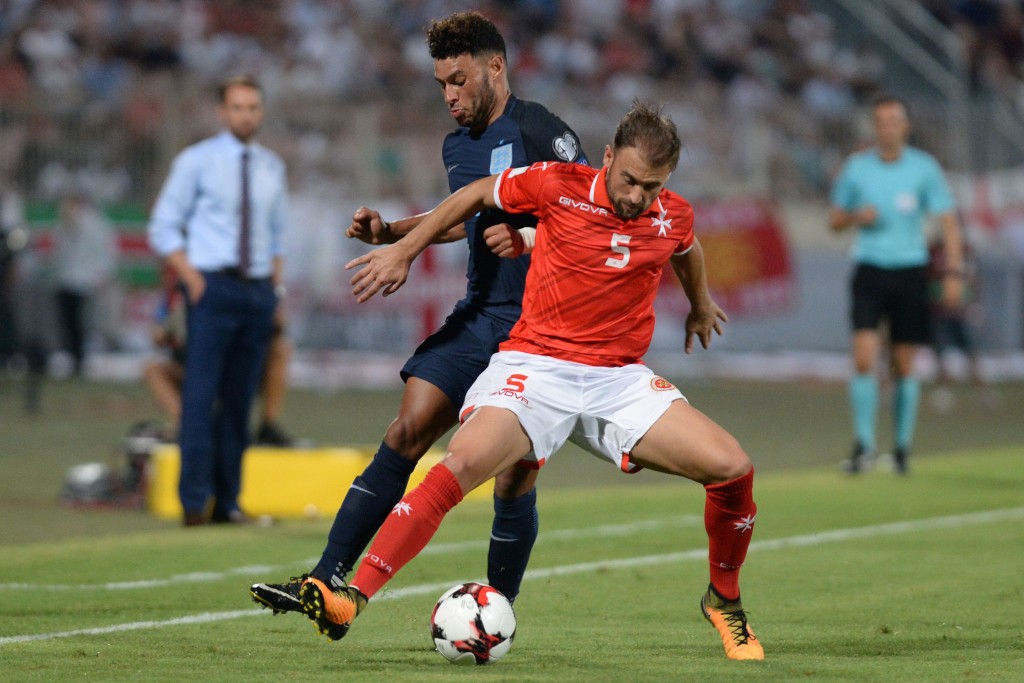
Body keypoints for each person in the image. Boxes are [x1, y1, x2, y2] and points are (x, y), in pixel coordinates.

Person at [290, 102, 764, 662]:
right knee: (460, 465)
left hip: (617, 380)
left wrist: (701, 304)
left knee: (733, 468)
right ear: (607, 157)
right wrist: (403, 246)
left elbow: (686, 248)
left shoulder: (672, 214)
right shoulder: (556, 184)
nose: (638, 196)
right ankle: (351, 597)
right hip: (536, 367)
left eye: (652, 186)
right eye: (630, 180)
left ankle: (723, 600)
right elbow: (474, 195)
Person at [251, 11, 587, 612]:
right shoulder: (457, 145)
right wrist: (392, 233)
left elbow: (591, 217)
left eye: (459, 80)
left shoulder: (539, 129)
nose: (450, 95)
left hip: (541, 330)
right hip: (481, 314)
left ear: (495, 67)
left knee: (514, 474)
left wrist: (529, 238)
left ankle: (498, 610)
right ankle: (323, 580)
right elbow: (461, 219)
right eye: (441, 85)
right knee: (407, 429)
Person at [147, 74, 287, 526]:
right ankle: (193, 501)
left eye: (252, 107)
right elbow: (163, 225)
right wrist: (192, 278)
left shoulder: (271, 167)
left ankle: (228, 501)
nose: (246, 115)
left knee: (240, 398)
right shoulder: (197, 161)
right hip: (212, 286)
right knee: (200, 395)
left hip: (257, 290)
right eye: (237, 107)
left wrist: (274, 290)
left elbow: (277, 236)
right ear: (222, 112)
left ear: (261, 112)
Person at [829, 94, 963, 475]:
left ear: (905, 127)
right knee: (864, 358)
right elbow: (834, 219)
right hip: (870, 268)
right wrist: (856, 217)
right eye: (881, 122)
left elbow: (948, 221)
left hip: (910, 270)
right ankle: (864, 446)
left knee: (903, 363)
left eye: (894, 121)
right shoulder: (857, 168)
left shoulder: (924, 168)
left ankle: (902, 448)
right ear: (874, 127)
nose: (887, 128)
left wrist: (953, 272)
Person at [143, 267, 299, 446]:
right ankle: (187, 425)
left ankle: (268, 425)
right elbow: (158, 334)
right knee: (154, 369)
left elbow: (278, 326)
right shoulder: (174, 299)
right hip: (198, 367)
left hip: (239, 365)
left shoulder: (241, 288)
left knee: (280, 349)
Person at [52, 189, 118, 377]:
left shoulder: (95, 223)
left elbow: (106, 251)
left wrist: (102, 274)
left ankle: (80, 358)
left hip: (84, 282)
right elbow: (60, 251)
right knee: (68, 322)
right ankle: (72, 356)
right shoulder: (64, 222)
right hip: (66, 280)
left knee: (81, 323)